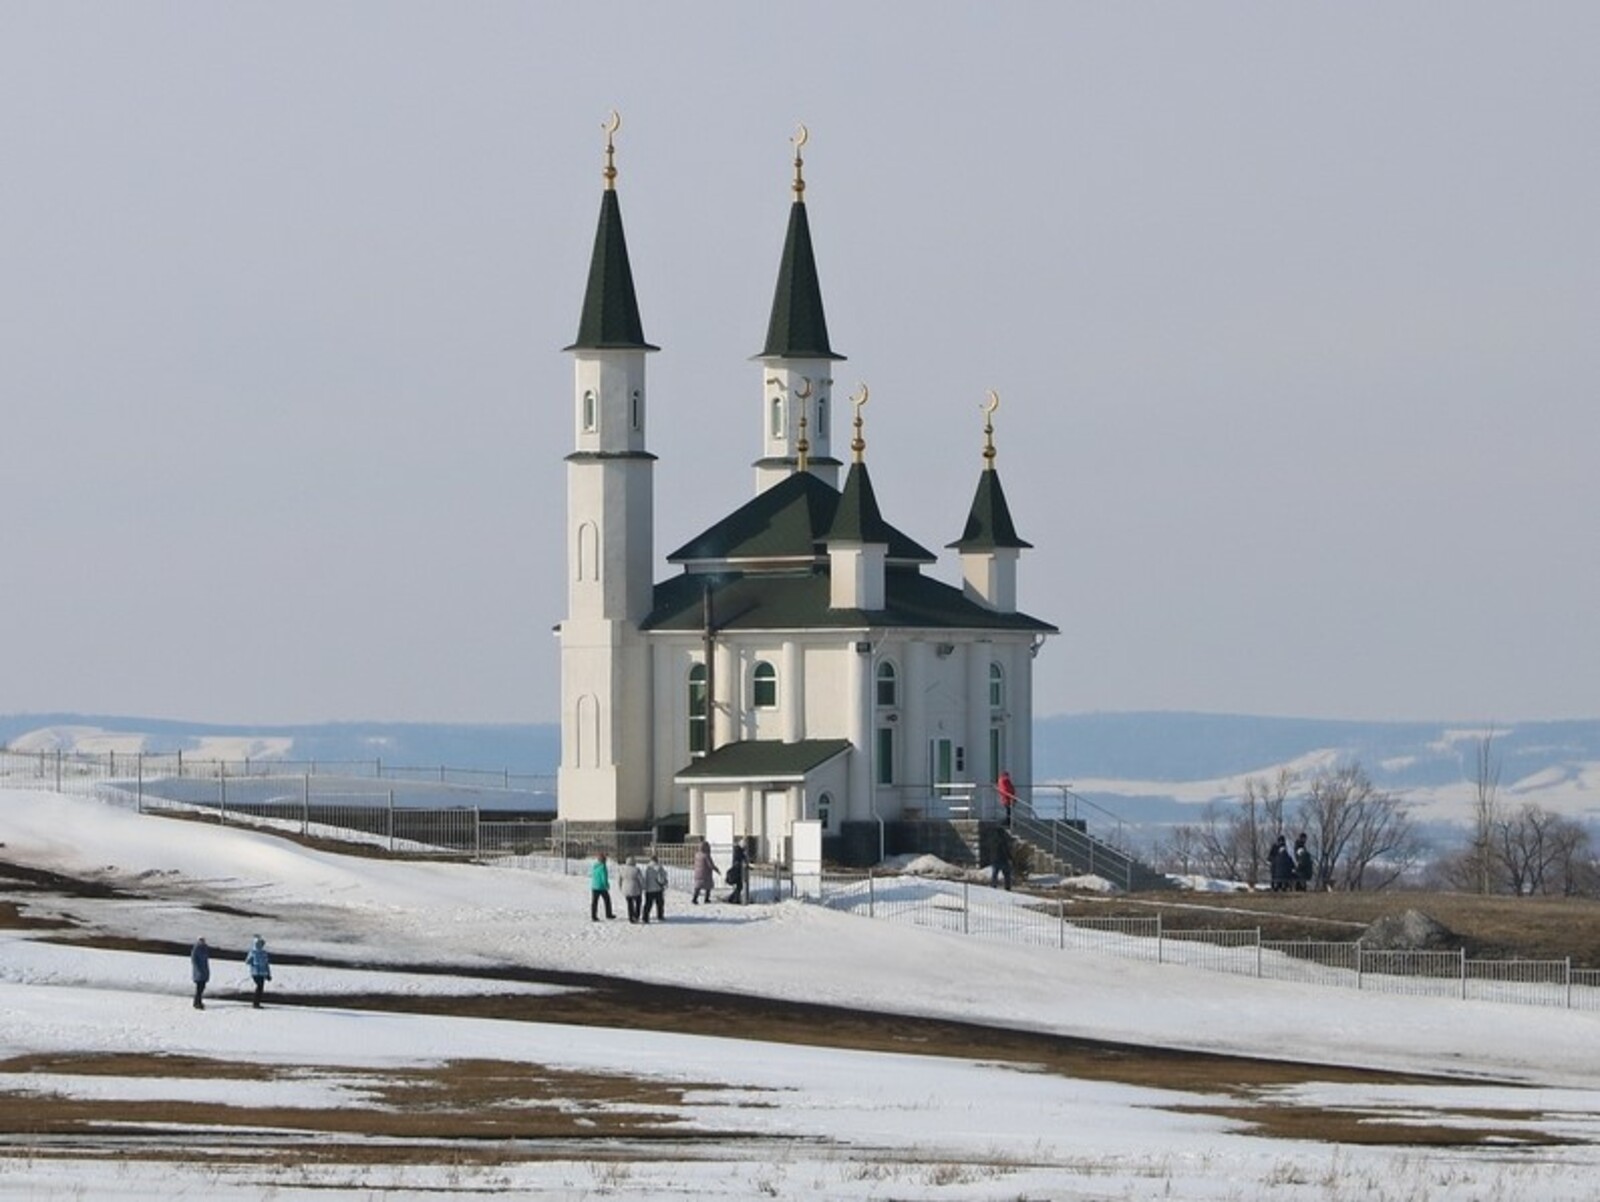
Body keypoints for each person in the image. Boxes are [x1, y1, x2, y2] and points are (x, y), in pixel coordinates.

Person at [244, 935, 271, 1009]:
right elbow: (247, 961)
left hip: (261, 973)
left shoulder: (263, 953)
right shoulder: (253, 952)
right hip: (255, 973)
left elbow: (266, 964)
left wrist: (268, 974)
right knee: (259, 987)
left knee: (260, 988)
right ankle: (255, 1003)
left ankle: (257, 1003)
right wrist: (251, 961)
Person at [691, 840, 719, 904]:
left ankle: (694, 898)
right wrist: (716, 869)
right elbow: (710, 865)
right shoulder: (706, 856)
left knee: (697, 887)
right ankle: (706, 898)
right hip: (705, 873)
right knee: (708, 886)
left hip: (697, 873)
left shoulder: (697, 854)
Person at [619, 855, 645, 923]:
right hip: (635, 889)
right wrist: (643, 887)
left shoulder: (622, 869)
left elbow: (619, 879)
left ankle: (631, 917)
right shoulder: (636, 869)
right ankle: (636, 916)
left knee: (629, 904)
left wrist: (620, 887)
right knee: (638, 902)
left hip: (626, 889)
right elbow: (641, 880)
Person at [590, 852, 615, 921]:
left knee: (594, 902)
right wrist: (606, 885)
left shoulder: (595, 866)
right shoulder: (603, 867)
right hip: (601, 887)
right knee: (607, 900)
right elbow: (604, 877)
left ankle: (593, 916)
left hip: (594, 886)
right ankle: (608, 914)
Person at [642, 855, 667, 923]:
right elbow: (661, 879)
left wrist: (645, 887)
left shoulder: (647, 867)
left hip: (649, 889)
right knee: (659, 903)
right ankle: (660, 915)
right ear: (657, 860)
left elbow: (644, 878)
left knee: (648, 904)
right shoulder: (659, 867)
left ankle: (645, 917)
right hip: (657, 889)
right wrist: (663, 883)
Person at [725, 837, 748, 905]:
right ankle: (734, 899)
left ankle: (733, 898)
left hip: (738, 871)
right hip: (738, 871)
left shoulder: (738, 850)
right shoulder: (739, 851)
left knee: (739, 886)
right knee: (739, 886)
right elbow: (740, 860)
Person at [189, 937, 210, 1010]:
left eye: (203, 940)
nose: (202, 942)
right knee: (199, 988)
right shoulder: (196, 948)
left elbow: (206, 962)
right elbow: (194, 960)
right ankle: (197, 1003)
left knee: (202, 987)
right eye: (201, 940)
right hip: (199, 973)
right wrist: (198, 970)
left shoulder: (205, 948)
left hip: (204, 971)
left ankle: (199, 1001)